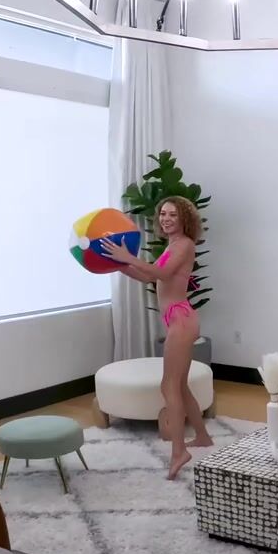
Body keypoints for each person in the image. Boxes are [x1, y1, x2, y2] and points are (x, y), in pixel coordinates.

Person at [101, 196, 212, 479]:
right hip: (177, 320)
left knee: (168, 386)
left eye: (172, 214)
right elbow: (150, 277)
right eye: (163, 214)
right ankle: (202, 436)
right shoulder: (171, 245)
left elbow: (161, 272)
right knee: (180, 386)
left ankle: (179, 452)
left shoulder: (184, 244)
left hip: (181, 321)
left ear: (184, 218)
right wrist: (119, 265)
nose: (166, 218)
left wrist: (127, 257)